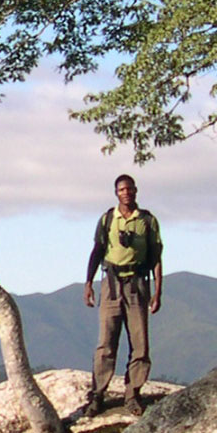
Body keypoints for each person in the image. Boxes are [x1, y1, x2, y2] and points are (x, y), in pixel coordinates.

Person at [83, 174, 163, 416]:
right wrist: (88, 283)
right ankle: (97, 395)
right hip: (111, 282)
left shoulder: (147, 220)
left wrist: (158, 292)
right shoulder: (108, 219)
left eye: (129, 189)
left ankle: (133, 394)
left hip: (138, 283)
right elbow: (97, 250)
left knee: (140, 343)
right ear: (116, 193)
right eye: (121, 189)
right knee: (106, 342)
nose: (126, 192)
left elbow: (156, 257)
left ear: (136, 191)